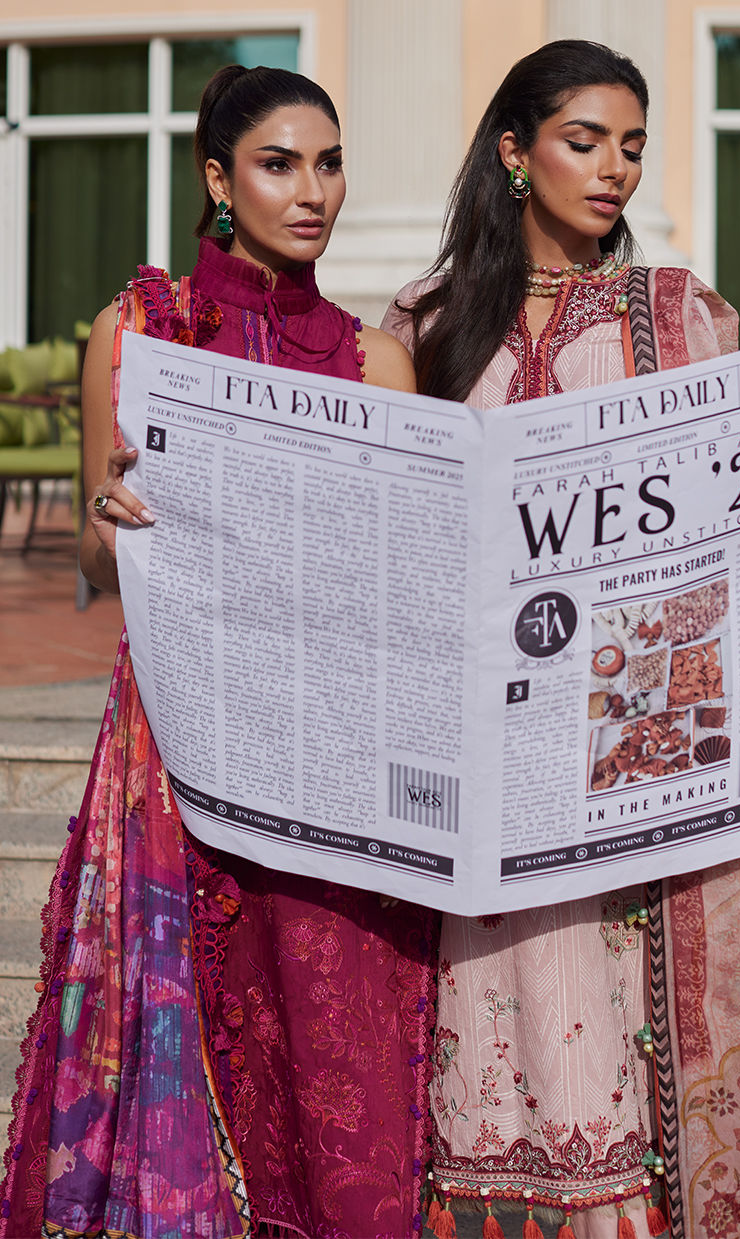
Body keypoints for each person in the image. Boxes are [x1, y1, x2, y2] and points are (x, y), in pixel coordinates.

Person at [382, 40, 740, 1238]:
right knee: (509, 1028)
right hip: (490, 770)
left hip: (633, 752)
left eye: (631, 146)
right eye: (584, 141)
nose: (614, 170)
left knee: (630, 1042)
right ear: (514, 151)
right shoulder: (426, 325)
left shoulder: (680, 314)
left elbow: (727, 509)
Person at [0, 66, 437, 1239]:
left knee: (333, 1049)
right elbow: (97, 564)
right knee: (191, 1032)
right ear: (218, 178)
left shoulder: (379, 362)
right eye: (278, 164)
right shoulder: (140, 332)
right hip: (181, 739)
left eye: (330, 164)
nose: (313, 192)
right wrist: (112, 525)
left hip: (331, 747)